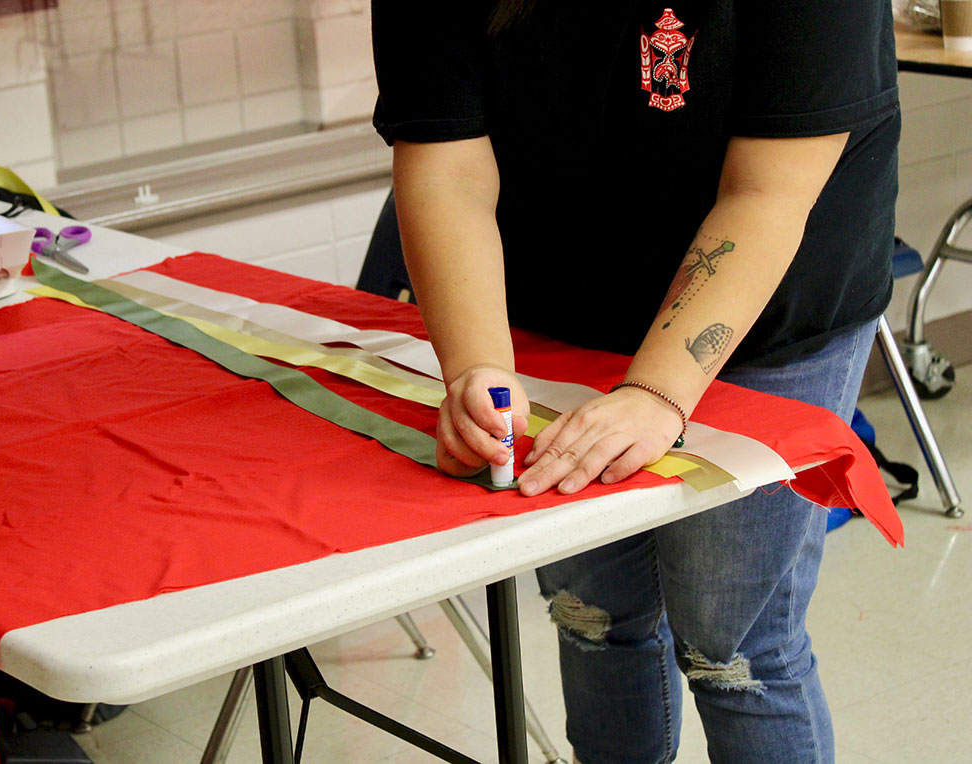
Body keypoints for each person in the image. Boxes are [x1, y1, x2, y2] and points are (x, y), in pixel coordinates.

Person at [369, 2, 900, 763]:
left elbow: (767, 193)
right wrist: (478, 367)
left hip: (767, 308)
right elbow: (445, 166)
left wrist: (657, 393)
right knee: (592, 616)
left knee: (733, 646)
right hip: (560, 307)